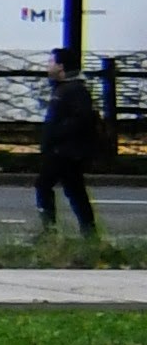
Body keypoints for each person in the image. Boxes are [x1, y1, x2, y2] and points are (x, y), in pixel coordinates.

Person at [44, 56, 114, 242]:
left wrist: (57, 135)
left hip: (67, 151)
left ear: (61, 66)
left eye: (51, 62)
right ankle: (89, 233)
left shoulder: (74, 90)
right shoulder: (64, 88)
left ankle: (49, 232)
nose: (48, 66)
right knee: (75, 190)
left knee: (44, 185)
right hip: (65, 149)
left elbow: (79, 120)